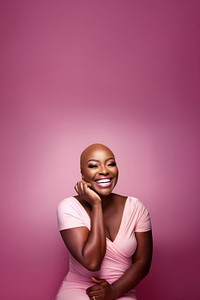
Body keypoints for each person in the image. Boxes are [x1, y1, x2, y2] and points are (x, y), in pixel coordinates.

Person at [56, 143, 153, 300]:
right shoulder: (68, 206)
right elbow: (93, 262)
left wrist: (114, 291)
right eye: (93, 165)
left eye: (111, 163)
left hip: (122, 289)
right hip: (79, 289)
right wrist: (96, 205)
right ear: (83, 175)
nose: (104, 171)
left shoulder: (136, 207)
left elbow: (143, 263)